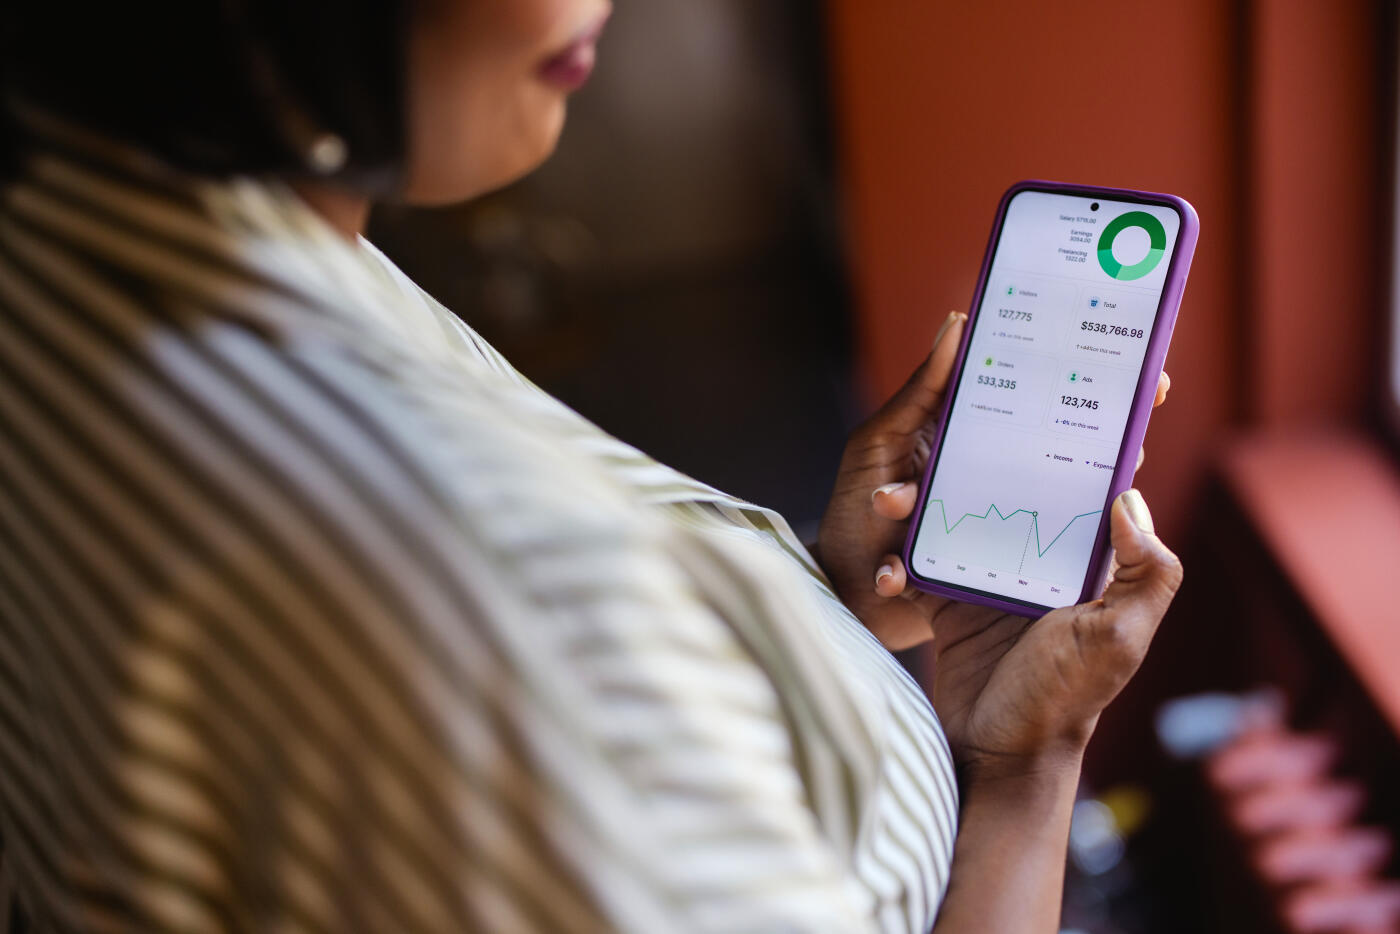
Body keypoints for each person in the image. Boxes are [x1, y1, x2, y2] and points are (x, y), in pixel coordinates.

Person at [0, 1, 1182, 931]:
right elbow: (535, 665)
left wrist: (817, 615)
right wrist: (1027, 770)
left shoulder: (93, 258)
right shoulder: (505, 594)